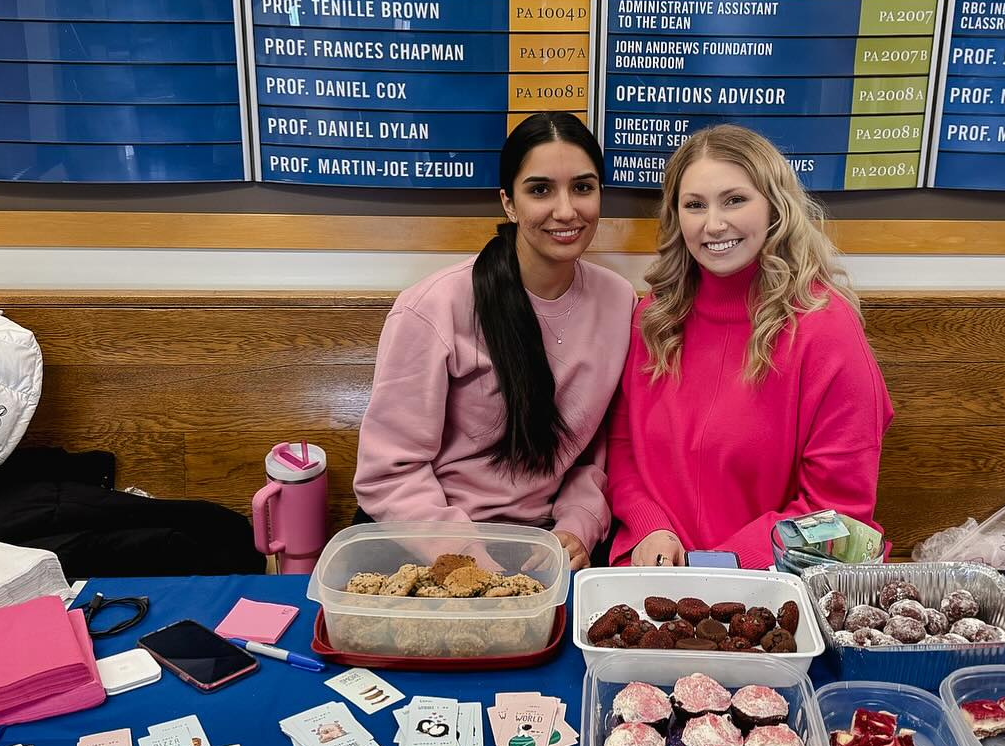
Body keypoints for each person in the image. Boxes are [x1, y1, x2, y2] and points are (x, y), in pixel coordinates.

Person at [355, 113, 633, 569]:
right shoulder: (434, 306)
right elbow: (390, 472)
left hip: (545, 545)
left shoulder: (619, 301)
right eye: (540, 190)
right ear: (508, 203)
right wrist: (467, 559)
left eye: (583, 187)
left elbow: (596, 450)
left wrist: (578, 525)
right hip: (430, 541)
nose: (566, 210)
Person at [607, 125, 893, 569]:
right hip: (652, 571)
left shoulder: (827, 330)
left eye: (735, 200)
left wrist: (722, 564)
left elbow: (838, 514)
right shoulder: (655, 315)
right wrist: (649, 525)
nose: (714, 223)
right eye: (695, 205)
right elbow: (622, 445)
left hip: (771, 587)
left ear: (775, 207)